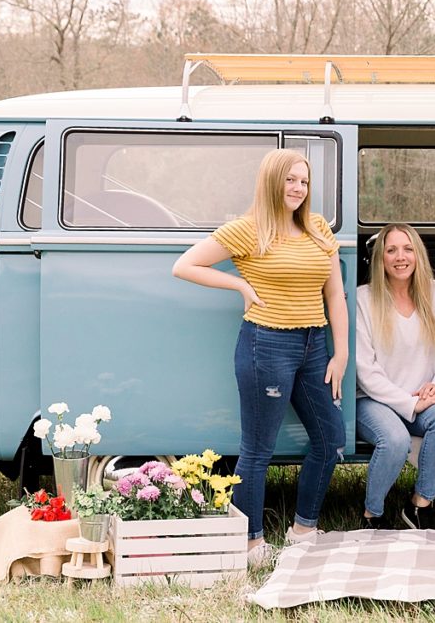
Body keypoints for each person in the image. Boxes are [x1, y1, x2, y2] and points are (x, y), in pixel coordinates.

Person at [172, 148, 347, 566]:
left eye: (304, 181)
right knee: (258, 450)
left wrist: (339, 353)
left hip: (313, 347)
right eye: (290, 180)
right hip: (265, 345)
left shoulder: (319, 228)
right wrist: (240, 288)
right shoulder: (247, 230)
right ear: (271, 181)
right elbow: (185, 265)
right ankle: (251, 541)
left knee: (331, 440)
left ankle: (304, 529)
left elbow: (335, 294)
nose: (298, 188)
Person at [356, 224, 435, 529]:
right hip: (374, 400)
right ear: (380, 259)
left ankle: (420, 504)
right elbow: (365, 369)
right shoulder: (364, 298)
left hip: (424, 396)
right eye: (391, 250)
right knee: (394, 439)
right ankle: (372, 514)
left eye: (407, 249)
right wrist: (407, 403)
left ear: (418, 254)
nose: (400, 257)